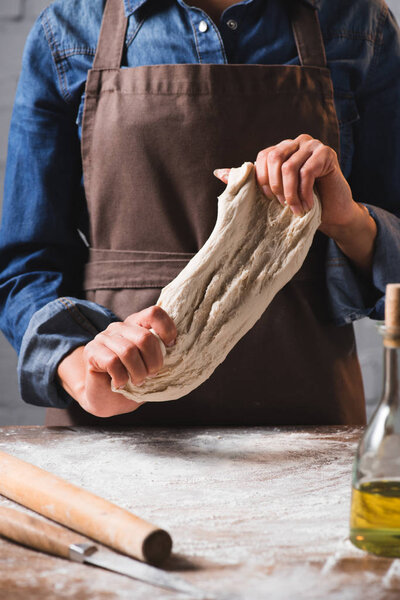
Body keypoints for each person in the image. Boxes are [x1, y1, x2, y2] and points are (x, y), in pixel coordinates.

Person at [0, 0, 399, 426]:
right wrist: (78, 366)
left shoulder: (357, 23)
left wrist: (346, 220)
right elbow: (25, 265)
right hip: (115, 429)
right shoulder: (67, 30)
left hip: (308, 422)